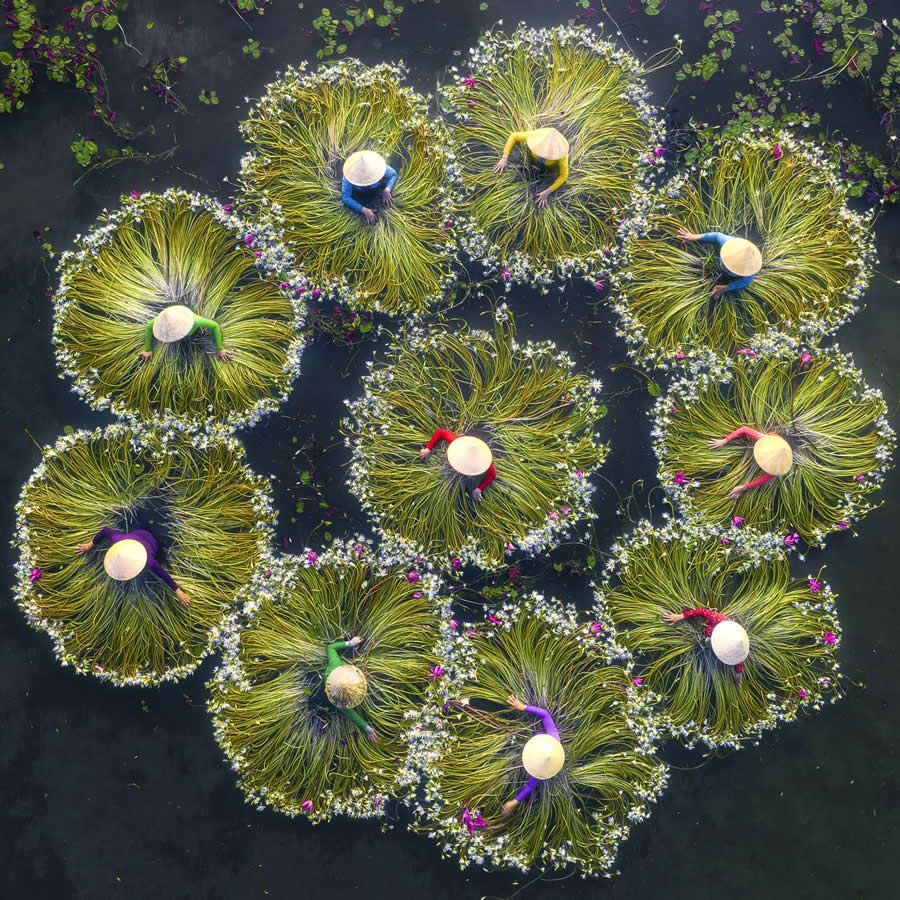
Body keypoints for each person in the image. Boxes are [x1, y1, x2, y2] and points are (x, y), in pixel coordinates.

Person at [76, 527, 190, 606]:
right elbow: (105, 530)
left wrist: (178, 592)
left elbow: (163, 573)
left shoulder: (148, 561)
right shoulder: (118, 540)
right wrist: (88, 546)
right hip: (138, 533)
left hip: (155, 541)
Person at [501, 694, 564, 816]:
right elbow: (544, 714)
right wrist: (521, 706)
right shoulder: (554, 738)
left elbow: (530, 786)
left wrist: (514, 802)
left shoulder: (541, 770)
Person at [662, 609, 749, 684]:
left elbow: (739, 664)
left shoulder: (739, 650)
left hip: (710, 641)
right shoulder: (720, 620)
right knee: (707, 641)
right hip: (705, 634)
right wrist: (680, 616)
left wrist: (738, 676)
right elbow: (701, 611)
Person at [708, 427, 793, 500]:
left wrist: (743, 488)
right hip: (776, 441)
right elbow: (744, 429)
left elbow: (763, 479)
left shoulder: (779, 467)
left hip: (784, 450)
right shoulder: (767, 440)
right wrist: (724, 440)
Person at [493, 127, 570, 208]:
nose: (544, 154)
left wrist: (548, 191)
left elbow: (564, 175)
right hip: (533, 161)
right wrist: (504, 158)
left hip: (549, 168)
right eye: (542, 151)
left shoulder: (562, 155)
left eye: (549, 154)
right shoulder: (535, 136)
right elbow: (514, 136)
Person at [676, 228, 763, 298]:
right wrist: (694, 237)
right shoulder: (729, 243)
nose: (725, 266)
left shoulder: (750, 271)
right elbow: (717, 236)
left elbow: (745, 282)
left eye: (730, 268)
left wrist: (726, 288)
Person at [324, 636, 378, 742]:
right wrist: (367, 728)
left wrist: (350, 643)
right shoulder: (339, 698)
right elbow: (351, 714)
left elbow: (330, 648)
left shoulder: (335, 665)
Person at [419, 429, 496, 502]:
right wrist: (428, 449)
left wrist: (479, 489)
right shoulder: (457, 443)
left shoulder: (484, 460)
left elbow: (492, 474)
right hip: (467, 442)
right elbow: (441, 432)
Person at [139, 304, 231, 362]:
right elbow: (148, 327)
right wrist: (148, 349)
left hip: (192, 333)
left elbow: (215, 326)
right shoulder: (163, 318)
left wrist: (220, 349)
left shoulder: (195, 321)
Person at [341, 150, 398, 225]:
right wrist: (363, 209)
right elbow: (346, 197)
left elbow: (393, 175)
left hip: (376, 189)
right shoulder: (349, 175)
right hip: (359, 194)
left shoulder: (378, 166)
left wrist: (387, 189)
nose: (365, 183)